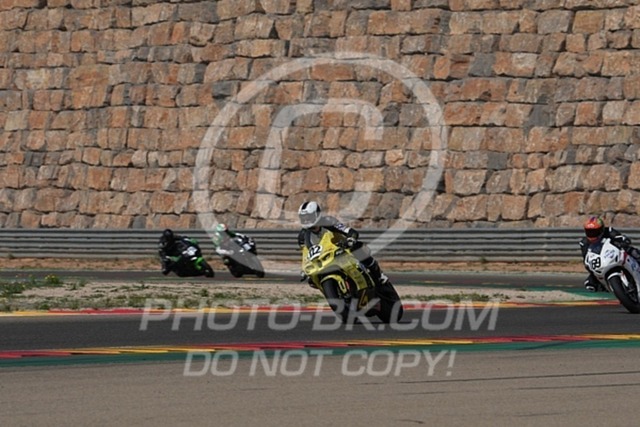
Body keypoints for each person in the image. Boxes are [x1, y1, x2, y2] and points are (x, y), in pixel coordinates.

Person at [297, 201, 389, 286]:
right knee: (311, 281)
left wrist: (351, 239)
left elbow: (350, 231)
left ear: (317, 214)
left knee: (358, 247)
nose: (306, 220)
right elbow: (305, 255)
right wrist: (304, 269)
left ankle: (379, 275)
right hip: (323, 259)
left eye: (308, 217)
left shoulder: (329, 222)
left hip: (342, 249)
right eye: (303, 218)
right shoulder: (302, 236)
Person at [579, 216, 640, 292]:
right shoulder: (584, 243)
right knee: (589, 282)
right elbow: (586, 257)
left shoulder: (609, 231)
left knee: (634, 252)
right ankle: (604, 285)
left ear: (601, 229)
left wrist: (623, 241)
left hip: (616, 252)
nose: (592, 234)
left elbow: (620, 237)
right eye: (589, 232)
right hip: (602, 260)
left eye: (595, 231)